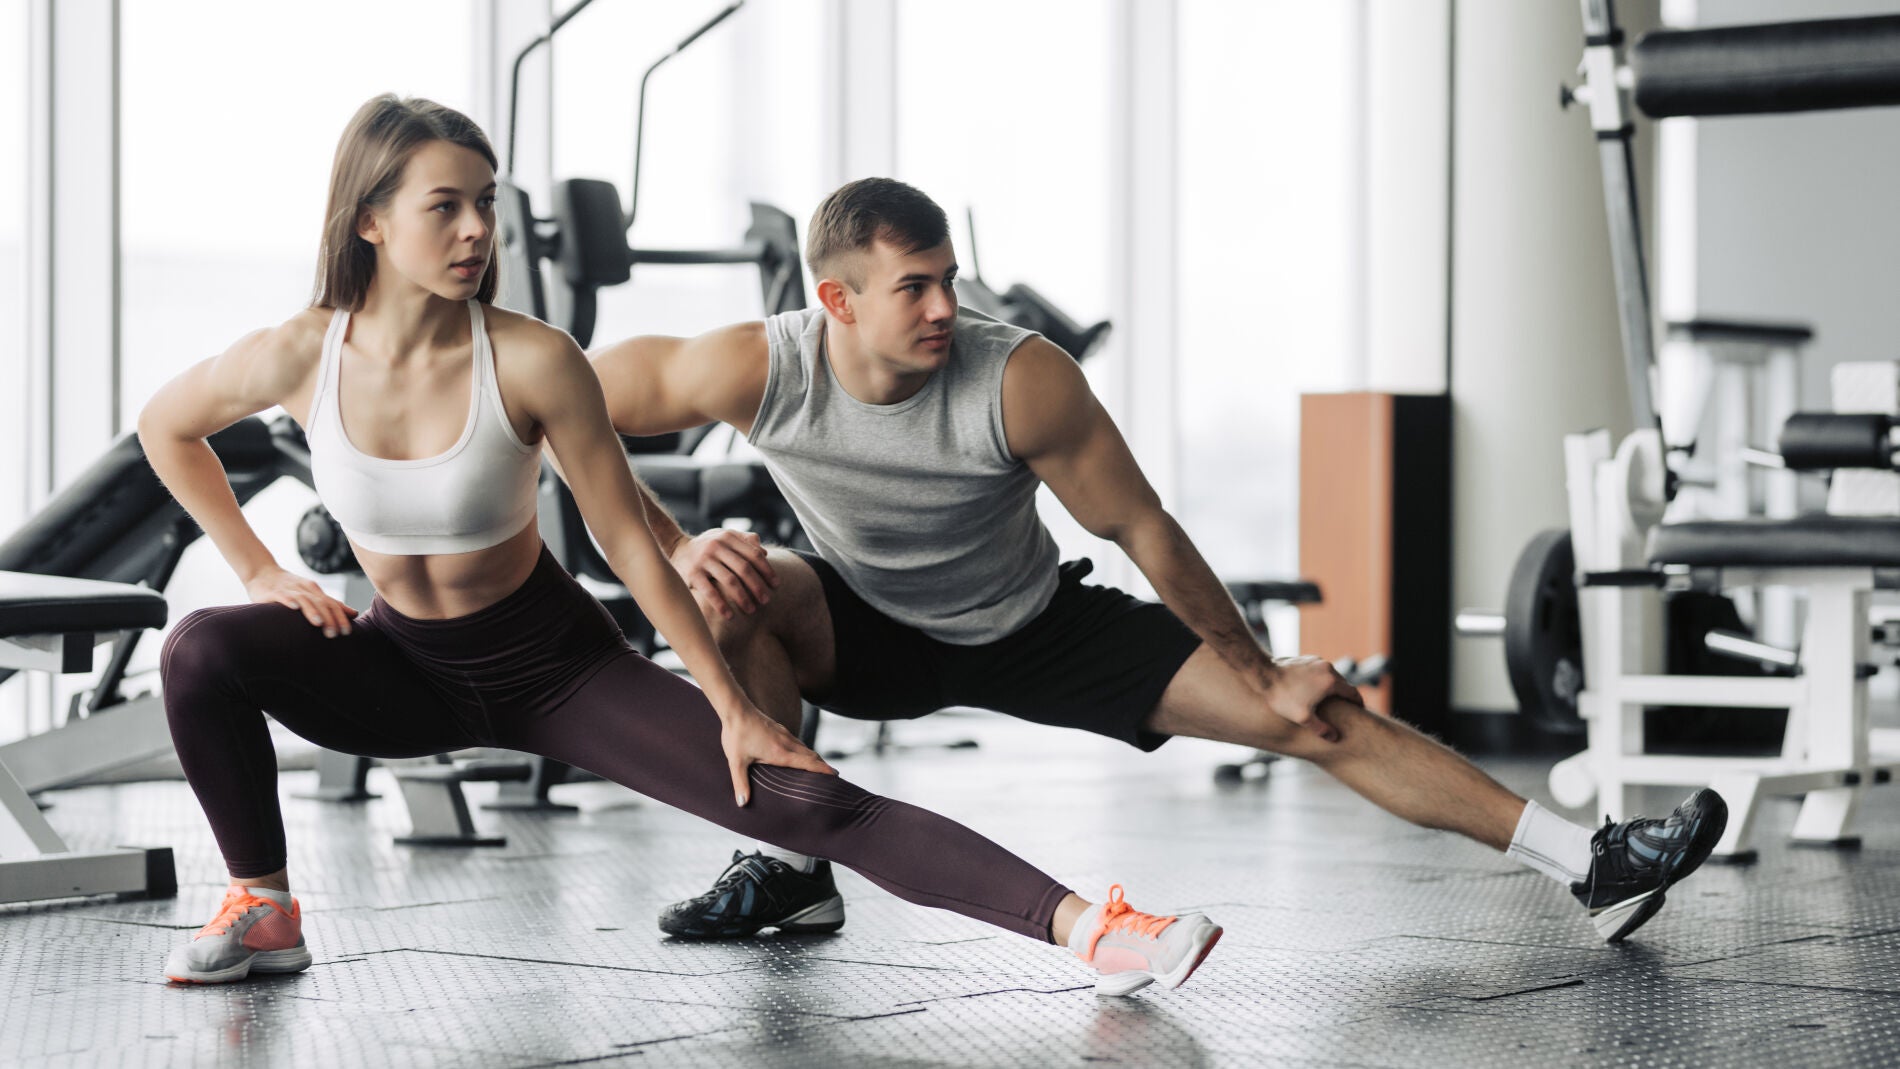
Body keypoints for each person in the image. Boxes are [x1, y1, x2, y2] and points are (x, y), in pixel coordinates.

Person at [138, 96, 1220, 996]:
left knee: (801, 798)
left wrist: (735, 708)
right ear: (370, 220)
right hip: (399, 665)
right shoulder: (299, 351)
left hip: (554, 670)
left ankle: (1093, 929)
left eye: (487, 204)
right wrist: (259, 568)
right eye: (446, 207)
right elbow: (166, 426)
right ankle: (266, 908)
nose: (477, 230)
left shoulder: (533, 360)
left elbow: (632, 545)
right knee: (201, 649)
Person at [586, 177, 1729, 945]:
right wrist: (685, 546)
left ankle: (1591, 860)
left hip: (1036, 623)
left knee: (1309, 717)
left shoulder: (1018, 377)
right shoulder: (750, 368)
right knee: (736, 594)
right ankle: (789, 866)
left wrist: (1261, 663)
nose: (946, 305)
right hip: (859, 616)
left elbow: (1143, 530)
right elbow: (556, 405)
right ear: (834, 299)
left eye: (949, 277)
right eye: (914, 288)